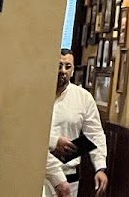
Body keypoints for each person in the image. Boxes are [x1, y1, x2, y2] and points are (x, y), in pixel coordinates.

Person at [45, 49, 108, 197]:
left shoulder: (83, 98)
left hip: (68, 175)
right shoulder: (36, 95)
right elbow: (30, 134)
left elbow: (95, 134)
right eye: (59, 66)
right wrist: (54, 142)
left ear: (73, 71)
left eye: (68, 67)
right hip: (38, 173)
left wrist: (100, 167)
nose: (63, 71)